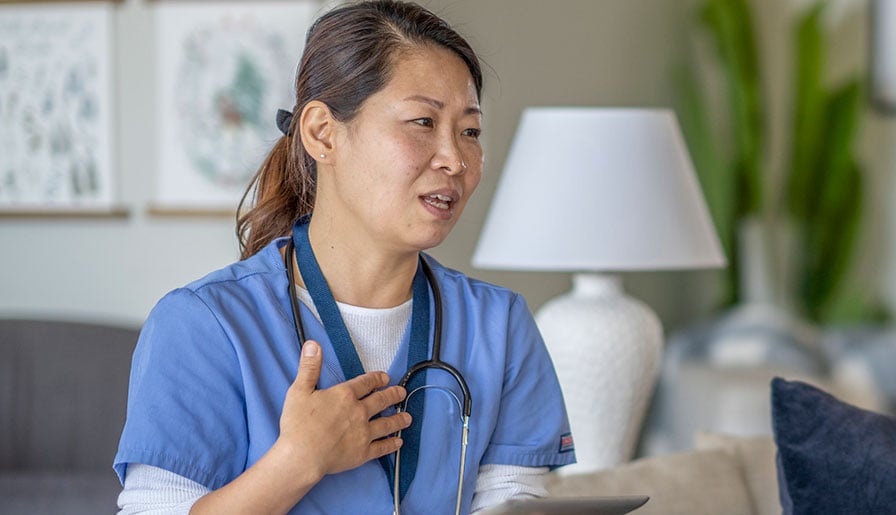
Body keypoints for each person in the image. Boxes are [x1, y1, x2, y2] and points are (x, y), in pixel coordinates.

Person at [113, 2, 575, 513]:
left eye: (470, 131)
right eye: (423, 121)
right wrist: (297, 461)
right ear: (322, 133)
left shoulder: (500, 326)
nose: (456, 159)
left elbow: (518, 503)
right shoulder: (203, 324)